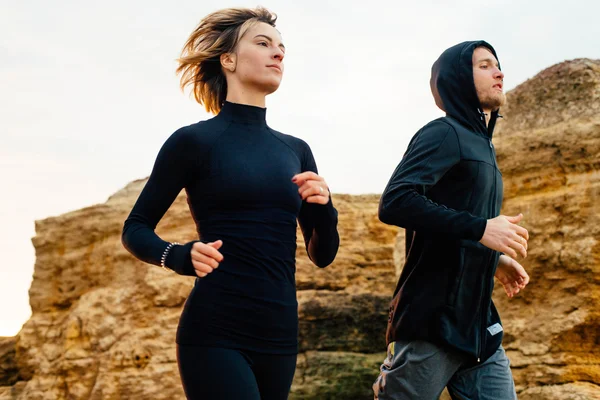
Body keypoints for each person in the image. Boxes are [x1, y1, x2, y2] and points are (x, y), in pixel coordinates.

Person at [121, 7, 339, 400]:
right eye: (263, 43)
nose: (278, 54)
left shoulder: (296, 150)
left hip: (280, 334)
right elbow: (135, 228)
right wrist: (179, 256)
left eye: (281, 48)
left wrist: (324, 211)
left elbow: (322, 256)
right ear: (228, 60)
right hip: (215, 331)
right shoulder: (193, 142)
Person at [373, 41, 530, 400]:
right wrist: (482, 229)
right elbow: (395, 201)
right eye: (485, 66)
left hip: (479, 329)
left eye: (498, 65)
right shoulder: (444, 133)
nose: (499, 72)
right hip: (433, 324)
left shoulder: (482, 145)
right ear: (458, 78)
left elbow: (455, 221)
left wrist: (492, 258)